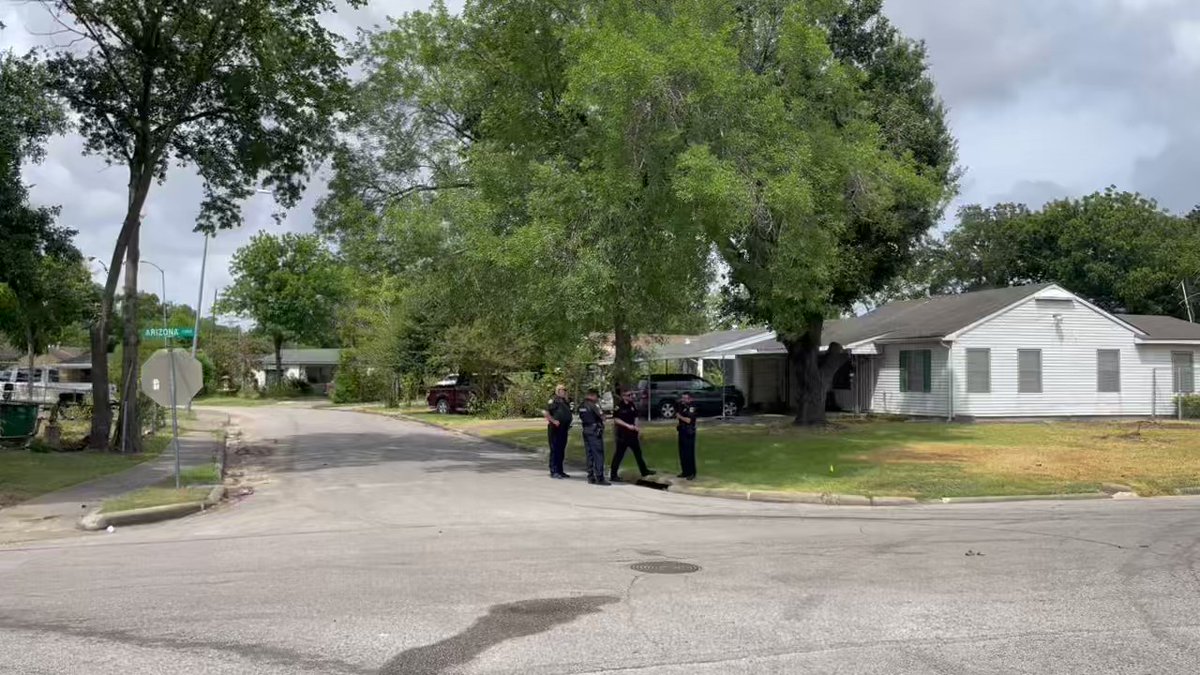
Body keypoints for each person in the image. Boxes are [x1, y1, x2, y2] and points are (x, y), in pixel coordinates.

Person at [610, 389, 651, 482]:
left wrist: (637, 427)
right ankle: (613, 474)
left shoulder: (632, 405)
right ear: (624, 396)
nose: (631, 396)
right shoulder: (618, 406)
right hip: (622, 435)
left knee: (638, 453)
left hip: (632, 434)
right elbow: (616, 419)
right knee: (619, 455)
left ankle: (644, 471)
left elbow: (635, 416)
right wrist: (628, 426)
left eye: (632, 395)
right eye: (629, 395)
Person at [577, 388, 610, 485]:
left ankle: (590, 476)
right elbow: (602, 417)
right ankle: (600, 477)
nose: (597, 399)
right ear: (593, 395)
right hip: (594, 431)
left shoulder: (582, 405)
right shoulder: (594, 405)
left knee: (589, 454)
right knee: (598, 454)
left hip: (586, 430)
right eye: (597, 397)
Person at [543, 384, 572, 479]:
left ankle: (560, 470)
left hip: (564, 429)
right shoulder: (553, 401)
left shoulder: (565, 401)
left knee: (561, 450)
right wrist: (553, 421)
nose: (564, 392)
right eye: (562, 390)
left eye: (565, 390)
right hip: (555, 429)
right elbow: (546, 413)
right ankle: (554, 471)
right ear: (558, 391)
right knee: (555, 450)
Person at [676, 391, 698, 480]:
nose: (683, 400)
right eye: (683, 398)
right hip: (682, 431)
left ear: (690, 399)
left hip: (689, 432)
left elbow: (689, 420)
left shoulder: (692, 407)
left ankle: (691, 472)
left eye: (685, 398)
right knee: (682, 452)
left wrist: (679, 417)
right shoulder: (682, 406)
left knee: (689, 453)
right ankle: (685, 471)